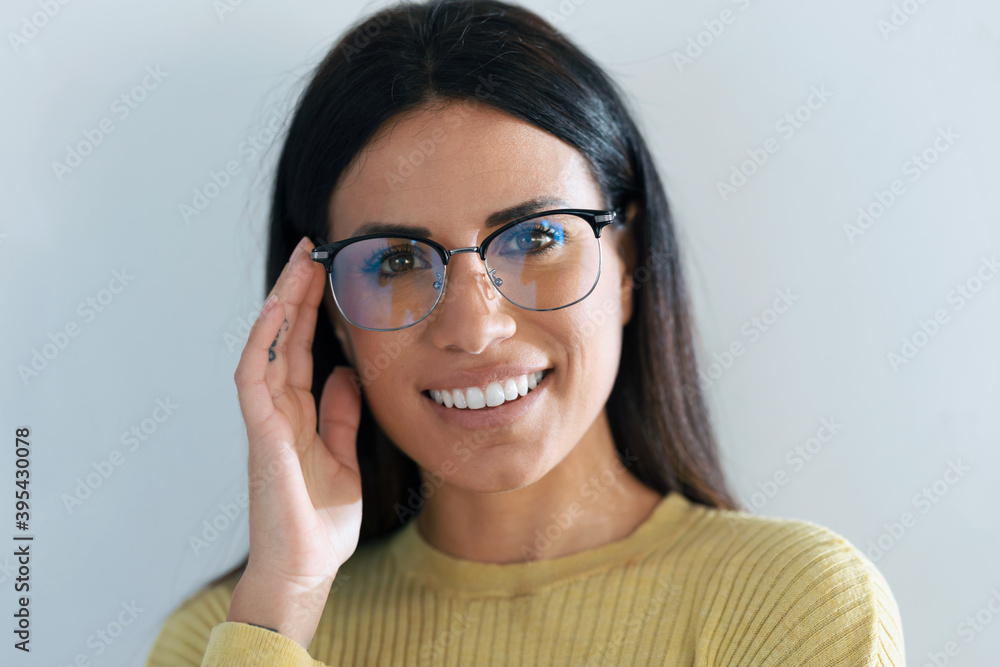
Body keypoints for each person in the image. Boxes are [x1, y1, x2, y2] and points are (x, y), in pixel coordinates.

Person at [147, 1, 905, 664]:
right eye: (399, 260)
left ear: (629, 261)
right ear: (330, 315)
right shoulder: (227, 637)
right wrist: (283, 608)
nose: (475, 328)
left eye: (536, 239)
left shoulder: (793, 607)